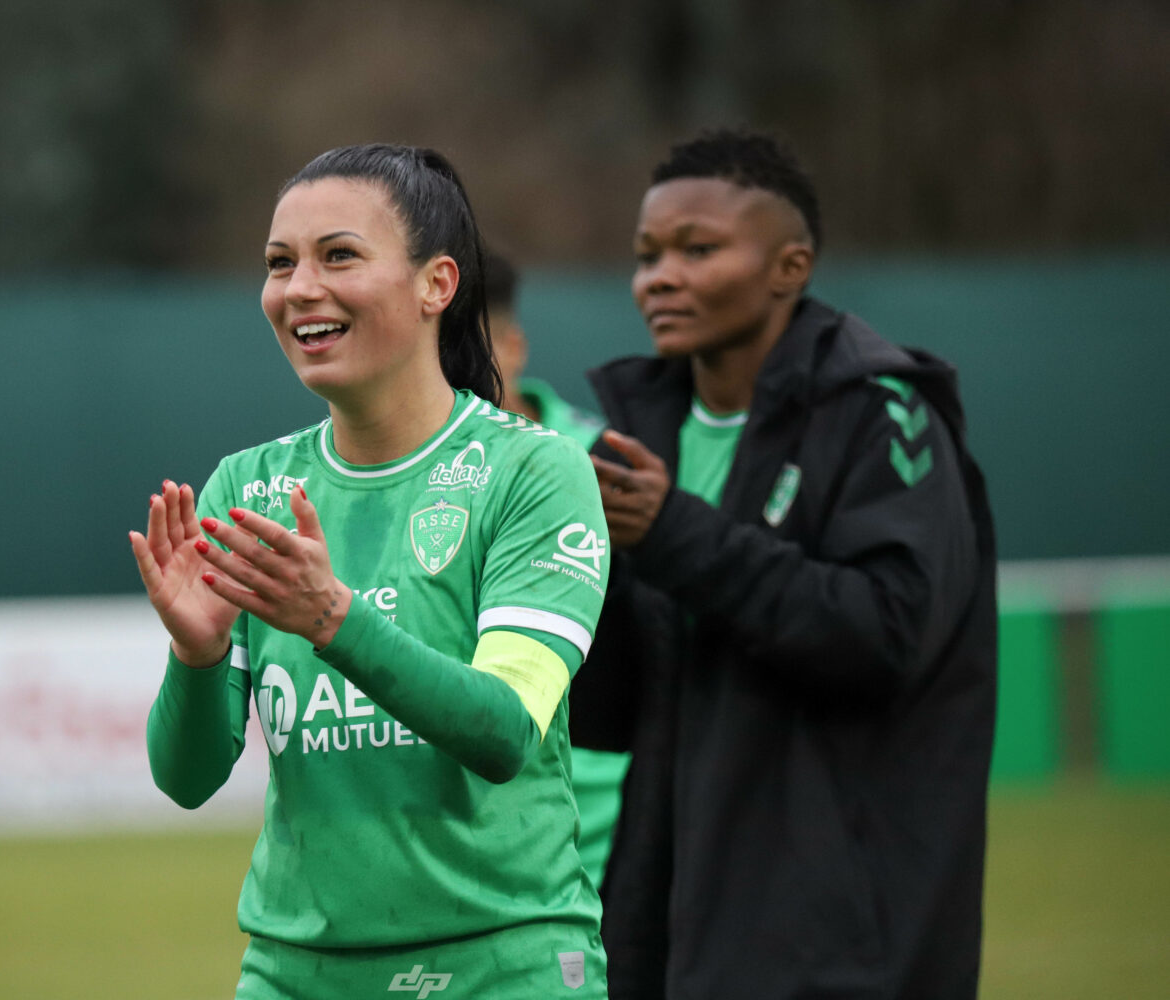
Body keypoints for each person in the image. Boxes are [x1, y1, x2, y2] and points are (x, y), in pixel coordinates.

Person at [130, 143, 611, 999]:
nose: (299, 289)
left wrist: (336, 622)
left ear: (438, 285)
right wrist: (197, 658)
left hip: (502, 964)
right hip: (295, 971)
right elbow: (188, 778)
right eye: (280, 264)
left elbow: (503, 732)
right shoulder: (250, 487)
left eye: (338, 255)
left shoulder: (534, 472)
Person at [569, 130, 997, 999]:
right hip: (668, 924)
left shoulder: (880, 415)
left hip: (842, 937)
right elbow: (613, 712)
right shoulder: (638, 433)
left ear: (789, 266)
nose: (661, 276)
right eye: (648, 255)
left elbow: (884, 636)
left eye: (699, 248)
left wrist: (674, 534)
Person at [484, 248, 630, 890]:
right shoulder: (397, 481)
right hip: (475, 829)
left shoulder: (612, 463)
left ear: (514, 346)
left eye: (470, 343)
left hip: (611, 825)